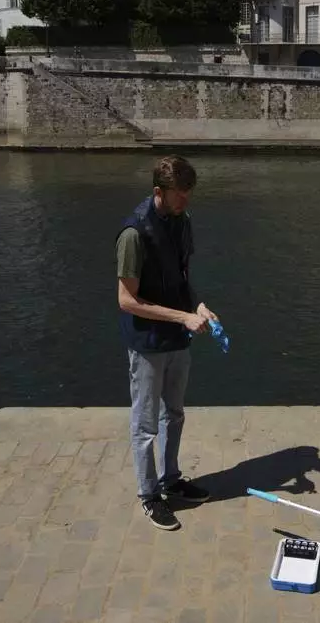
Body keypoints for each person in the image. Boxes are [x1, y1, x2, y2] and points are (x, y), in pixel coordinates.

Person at [116, 155, 219, 530]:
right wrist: (183, 317)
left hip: (179, 335)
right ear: (158, 192)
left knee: (174, 413)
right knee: (145, 425)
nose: (186, 201)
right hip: (147, 343)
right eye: (180, 196)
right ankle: (148, 495)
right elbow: (126, 301)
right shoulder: (133, 234)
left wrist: (200, 306)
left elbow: (182, 277)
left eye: (189, 194)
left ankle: (171, 479)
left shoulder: (182, 222)